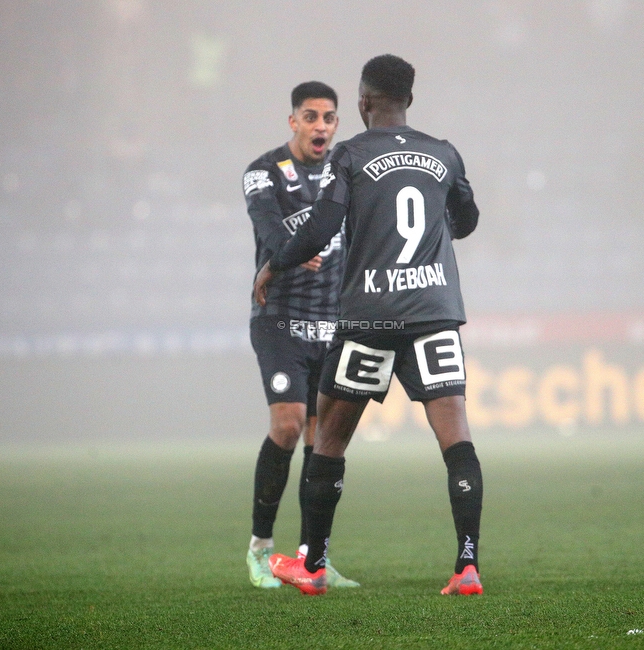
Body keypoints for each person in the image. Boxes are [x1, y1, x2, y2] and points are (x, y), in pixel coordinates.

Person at [254, 54, 483, 596]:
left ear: (362, 102)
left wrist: (274, 262)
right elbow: (468, 221)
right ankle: (467, 566)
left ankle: (311, 565)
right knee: (457, 439)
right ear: (409, 100)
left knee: (329, 438)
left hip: (370, 316)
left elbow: (319, 231)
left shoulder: (350, 155)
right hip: (434, 312)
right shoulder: (443, 153)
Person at [243, 81, 358, 590]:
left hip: (332, 325)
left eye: (329, 118)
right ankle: (260, 549)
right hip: (279, 320)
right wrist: (291, 250)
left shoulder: (347, 171)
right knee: (288, 427)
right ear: (293, 121)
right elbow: (269, 230)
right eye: (310, 117)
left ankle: (314, 557)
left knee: (323, 439)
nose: (320, 126)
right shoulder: (262, 172)